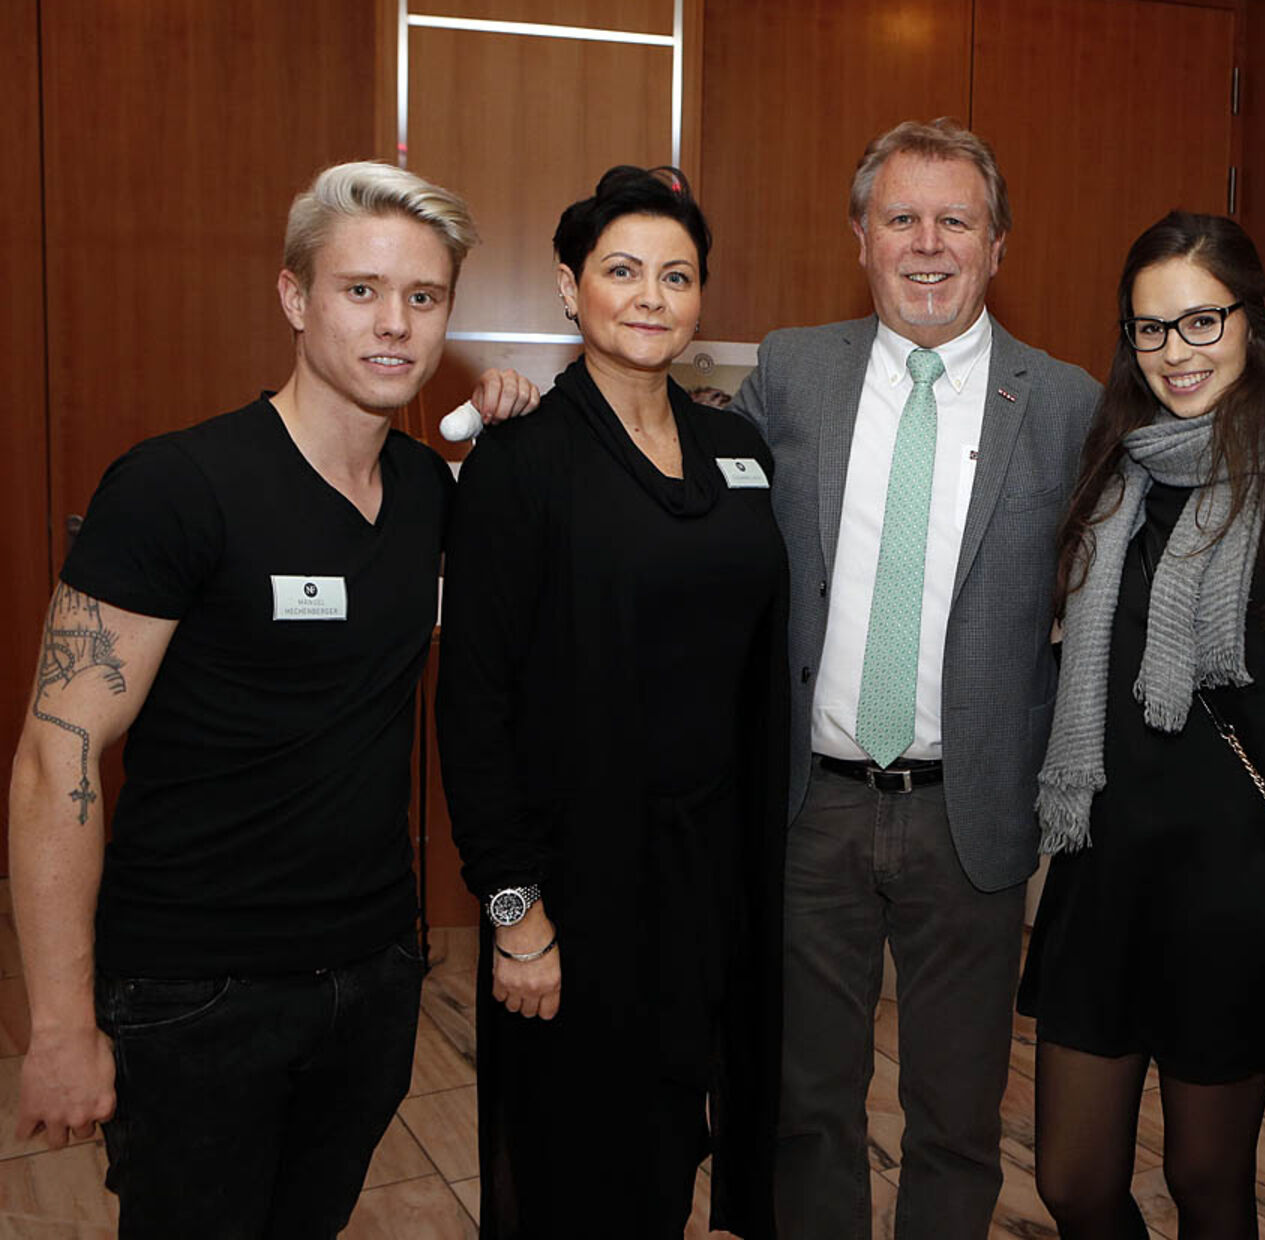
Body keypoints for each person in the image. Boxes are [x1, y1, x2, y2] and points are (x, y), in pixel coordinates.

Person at [6, 161, 539, 1236]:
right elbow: (55, 756)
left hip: (372, 972)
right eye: (360, 290)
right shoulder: (175, 486)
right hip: (194, 989)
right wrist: (59, 1025)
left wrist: (518, 416)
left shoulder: (428, 493)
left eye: (423, 296)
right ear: (295, 297)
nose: (394, 324)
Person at [730, 118, 1099, 1238]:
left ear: (998, 245)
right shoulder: (792, 372)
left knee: (958, 1114)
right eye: (902, 218)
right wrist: (533, 405)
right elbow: (676, 474)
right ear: (861, 238)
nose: (928, 244)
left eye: (956, 221)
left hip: (971, 815)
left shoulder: (1068, 403)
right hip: (815, 808)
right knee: (807, 1108)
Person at [1017, 211, 1265, 1237]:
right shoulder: (1108, 482)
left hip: (1232, 894)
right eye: (1150, 328)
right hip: (1103, 877)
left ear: (1258, 322)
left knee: (1206, 1182)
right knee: (1072, 1182)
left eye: (1201, 321)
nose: (1175, 352)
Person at [435, 165, 787, 1237]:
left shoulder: (737, 449)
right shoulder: (523, 457)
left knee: (679, 1142)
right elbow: (474, 703)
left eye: (676, 276)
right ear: (568, 286)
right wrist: (514, 913)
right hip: (577, 887)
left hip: (714, 875)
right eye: (622, 270)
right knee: (578, 1165)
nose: (650, 296)